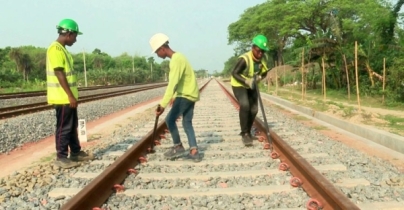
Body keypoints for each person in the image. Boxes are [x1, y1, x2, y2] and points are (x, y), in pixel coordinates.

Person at [46, 19, 93, 169]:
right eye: (75, 36)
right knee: (64, 127)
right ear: (69, 34)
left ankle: (76, 152)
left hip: (67, 97)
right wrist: (70, 95)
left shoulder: (63, 49)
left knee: (71, 126)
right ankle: (61, 157)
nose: (76, 39)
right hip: (62, 97)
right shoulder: (55, 49)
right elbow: (59, 73)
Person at [149, 33, 201, 162]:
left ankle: (178, 146)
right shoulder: (180, 57)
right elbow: (181, 80)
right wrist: (174, 96)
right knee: (187, 122)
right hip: (191, 94)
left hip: (185, 95)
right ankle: (194, 151)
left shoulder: (175, 60)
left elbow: (172, 83)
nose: (157, 55)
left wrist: (162, 105)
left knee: (169, 120)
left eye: (156, 52)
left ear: (162, 48)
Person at [230, 34, 270, 146]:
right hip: (239, 84)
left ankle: (248, 131)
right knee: (245, 105)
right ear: (253, 48)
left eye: (263, 51)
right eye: (258, 51)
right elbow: (234, 73)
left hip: (252, 84)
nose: (260, 53)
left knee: (254, 109)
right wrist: (246, 81)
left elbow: (265, 72)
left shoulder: (263, 59)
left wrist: (260, 77)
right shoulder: (244, 59)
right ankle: (244, 134)